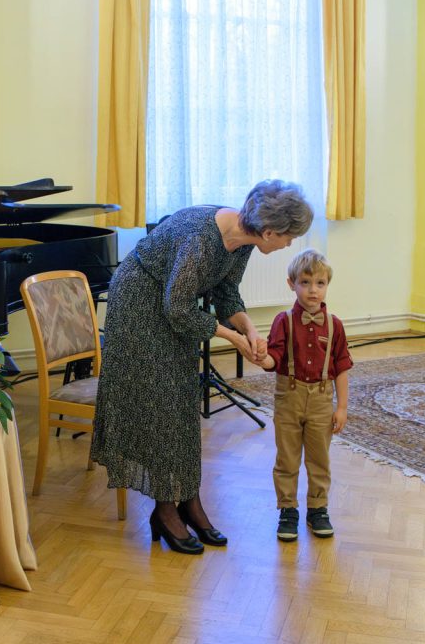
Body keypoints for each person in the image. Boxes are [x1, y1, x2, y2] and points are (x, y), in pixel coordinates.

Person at [91, 180, 314, 554]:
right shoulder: (199, 239)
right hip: (139, 308)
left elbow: (226, 292)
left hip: (168, 306)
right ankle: (165, 509)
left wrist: (250, 330)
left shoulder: (244, 238)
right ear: (271, 232)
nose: (289, 245)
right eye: (290, 238)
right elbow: (178, 310)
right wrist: (232, 338)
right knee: (160, 405)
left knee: (182, 400)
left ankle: (188, 500)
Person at [259, 248, 352, 541]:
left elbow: (341, 367)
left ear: (327, 285)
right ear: (292, 284)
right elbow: (274, 358)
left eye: (320, 283)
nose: (313, 290)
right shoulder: (282, 321)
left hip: (322, 401)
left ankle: (318, 508)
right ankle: (288, 510)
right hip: (289, 398)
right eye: (306, 283)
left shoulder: (335, 325)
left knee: (318, 458)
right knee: (287, 458)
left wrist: (342, 407)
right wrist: (264, 358)